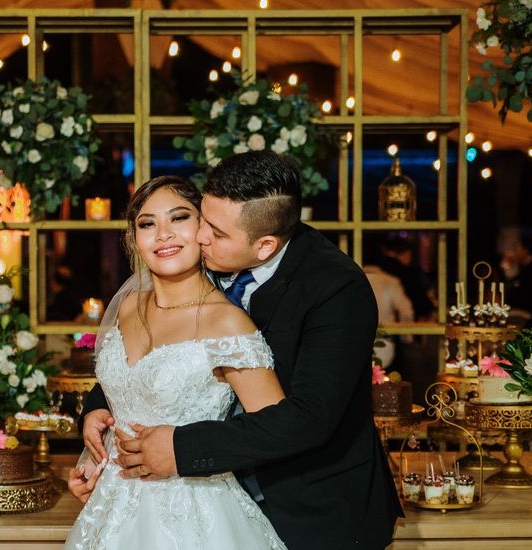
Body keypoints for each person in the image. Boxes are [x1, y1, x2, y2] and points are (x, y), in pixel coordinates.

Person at [78, 152, 402, 549]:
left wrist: (181, 448)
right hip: (196, 494)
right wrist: (100, 407)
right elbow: (155, 359)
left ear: (264, 246)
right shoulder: (210, 252)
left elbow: (309, 419)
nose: (198, 236)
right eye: (201, 219)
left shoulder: (336, 291)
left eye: (212, 230)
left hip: (311, 505)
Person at [64, 175, 288, 549]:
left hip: (197, 515)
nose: (163, 234)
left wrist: (189, 452)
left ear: (204, 229)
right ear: (134, 239)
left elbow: (275, 430)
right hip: (110, 508)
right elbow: (125, 393)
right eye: (147, 224)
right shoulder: (129, 307)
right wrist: (95, 451)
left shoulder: (226, 323)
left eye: (179, 218)